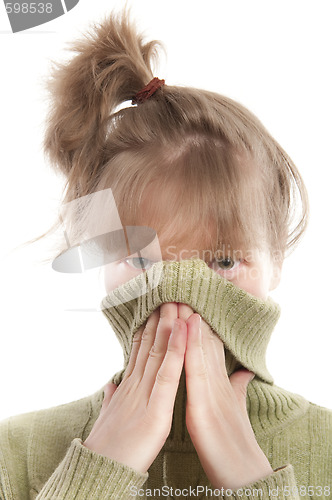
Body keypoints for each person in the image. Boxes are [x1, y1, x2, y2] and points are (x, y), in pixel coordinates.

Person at [0, 10, 331, 500]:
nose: (180, 301)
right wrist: (97, 474)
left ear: (276, 259)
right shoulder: (17, 454)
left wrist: (252, 483)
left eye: (222, 262)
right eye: (141, 261)